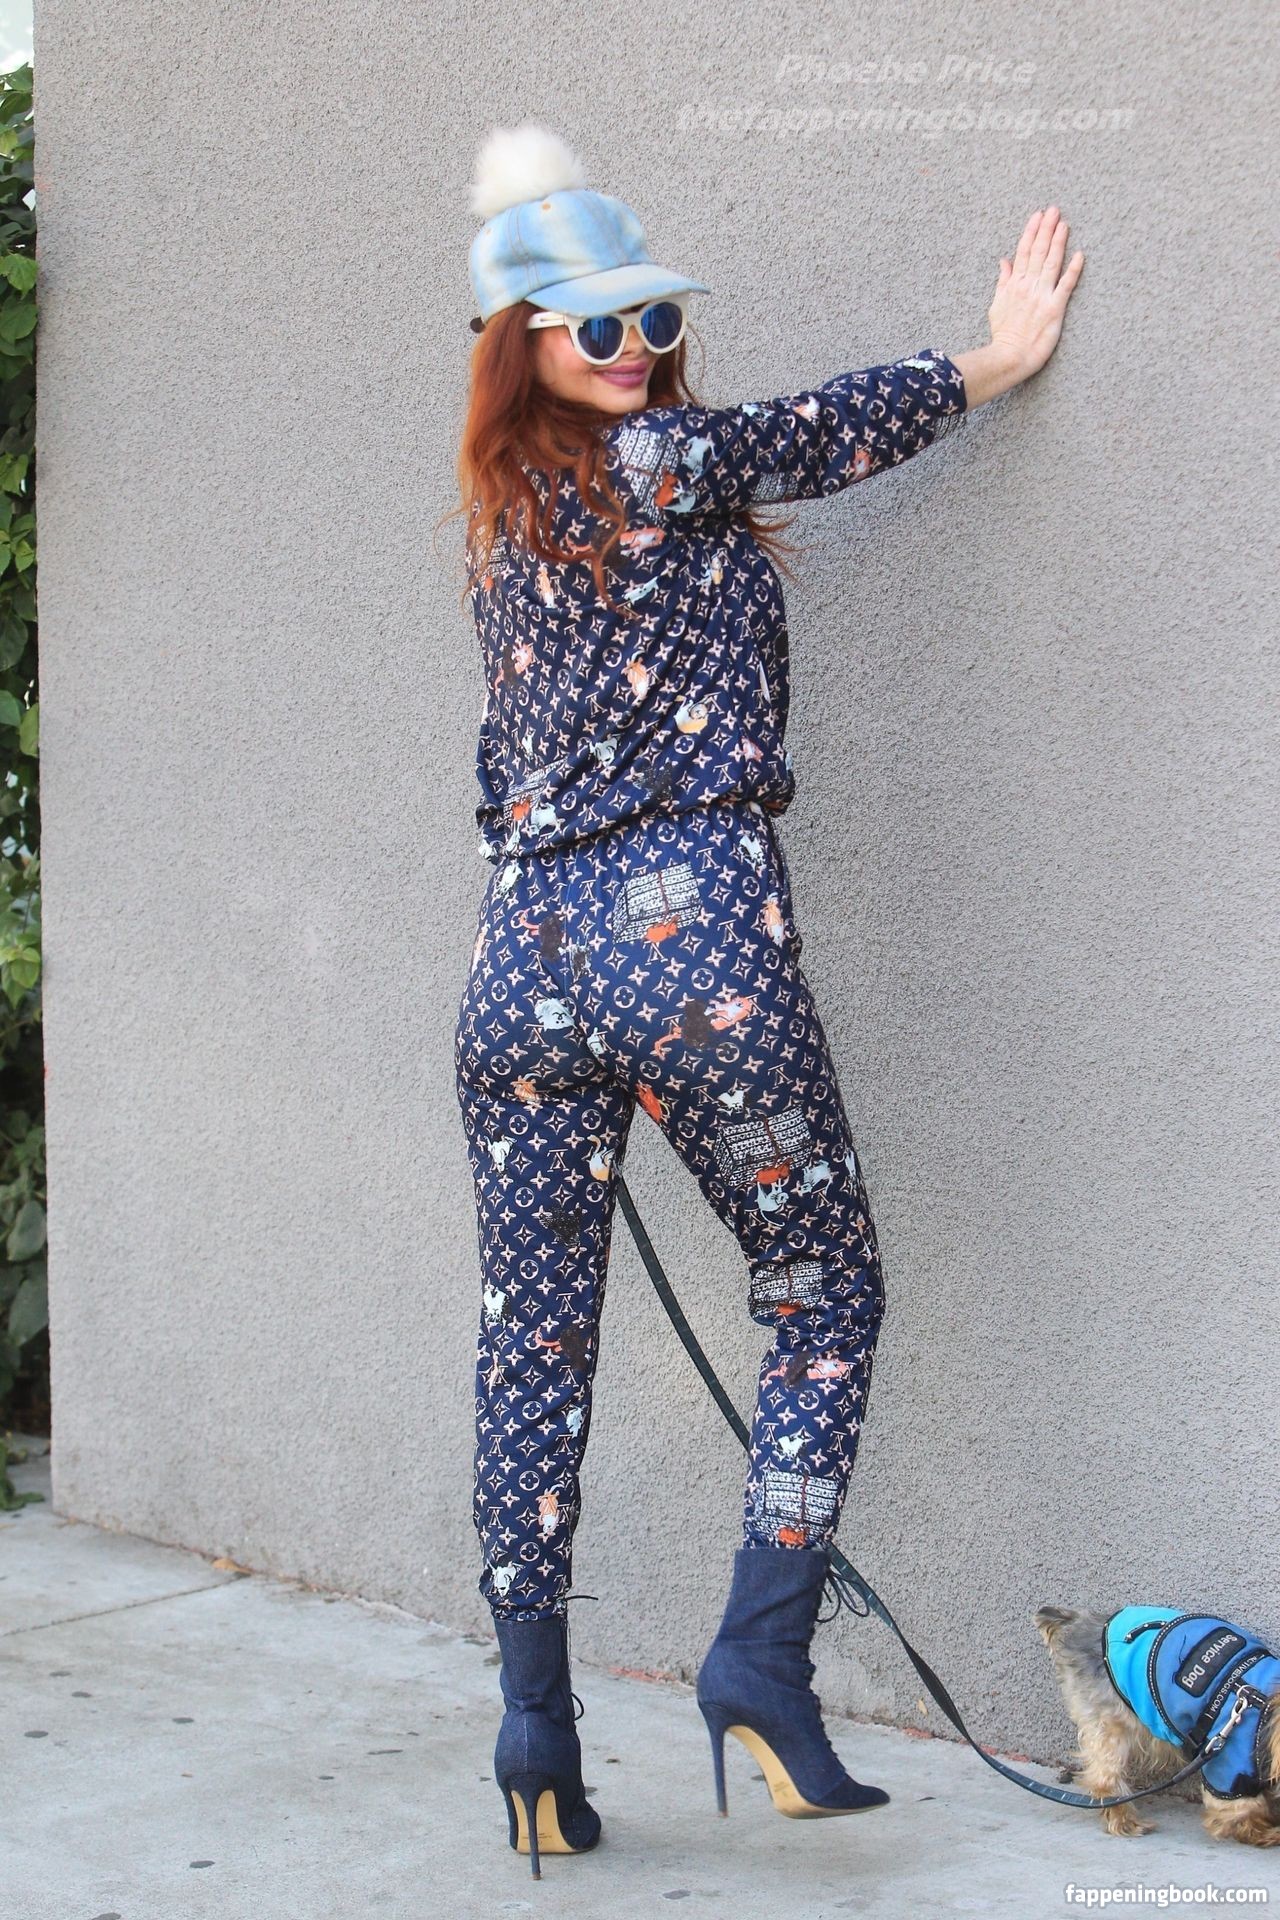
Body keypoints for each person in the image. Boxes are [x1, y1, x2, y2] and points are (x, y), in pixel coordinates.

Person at [447, 122, 1084, 1876]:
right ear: (520, 347)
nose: (638, 348)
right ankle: (760, 1658)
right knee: (823, 1282)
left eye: (655, 317)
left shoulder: (503, 527)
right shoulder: (666, 462)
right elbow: (830, 426)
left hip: (516, 960)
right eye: (597, 327)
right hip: (689, 937)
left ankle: (533, 1730)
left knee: (530, 1336)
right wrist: (997, 356)